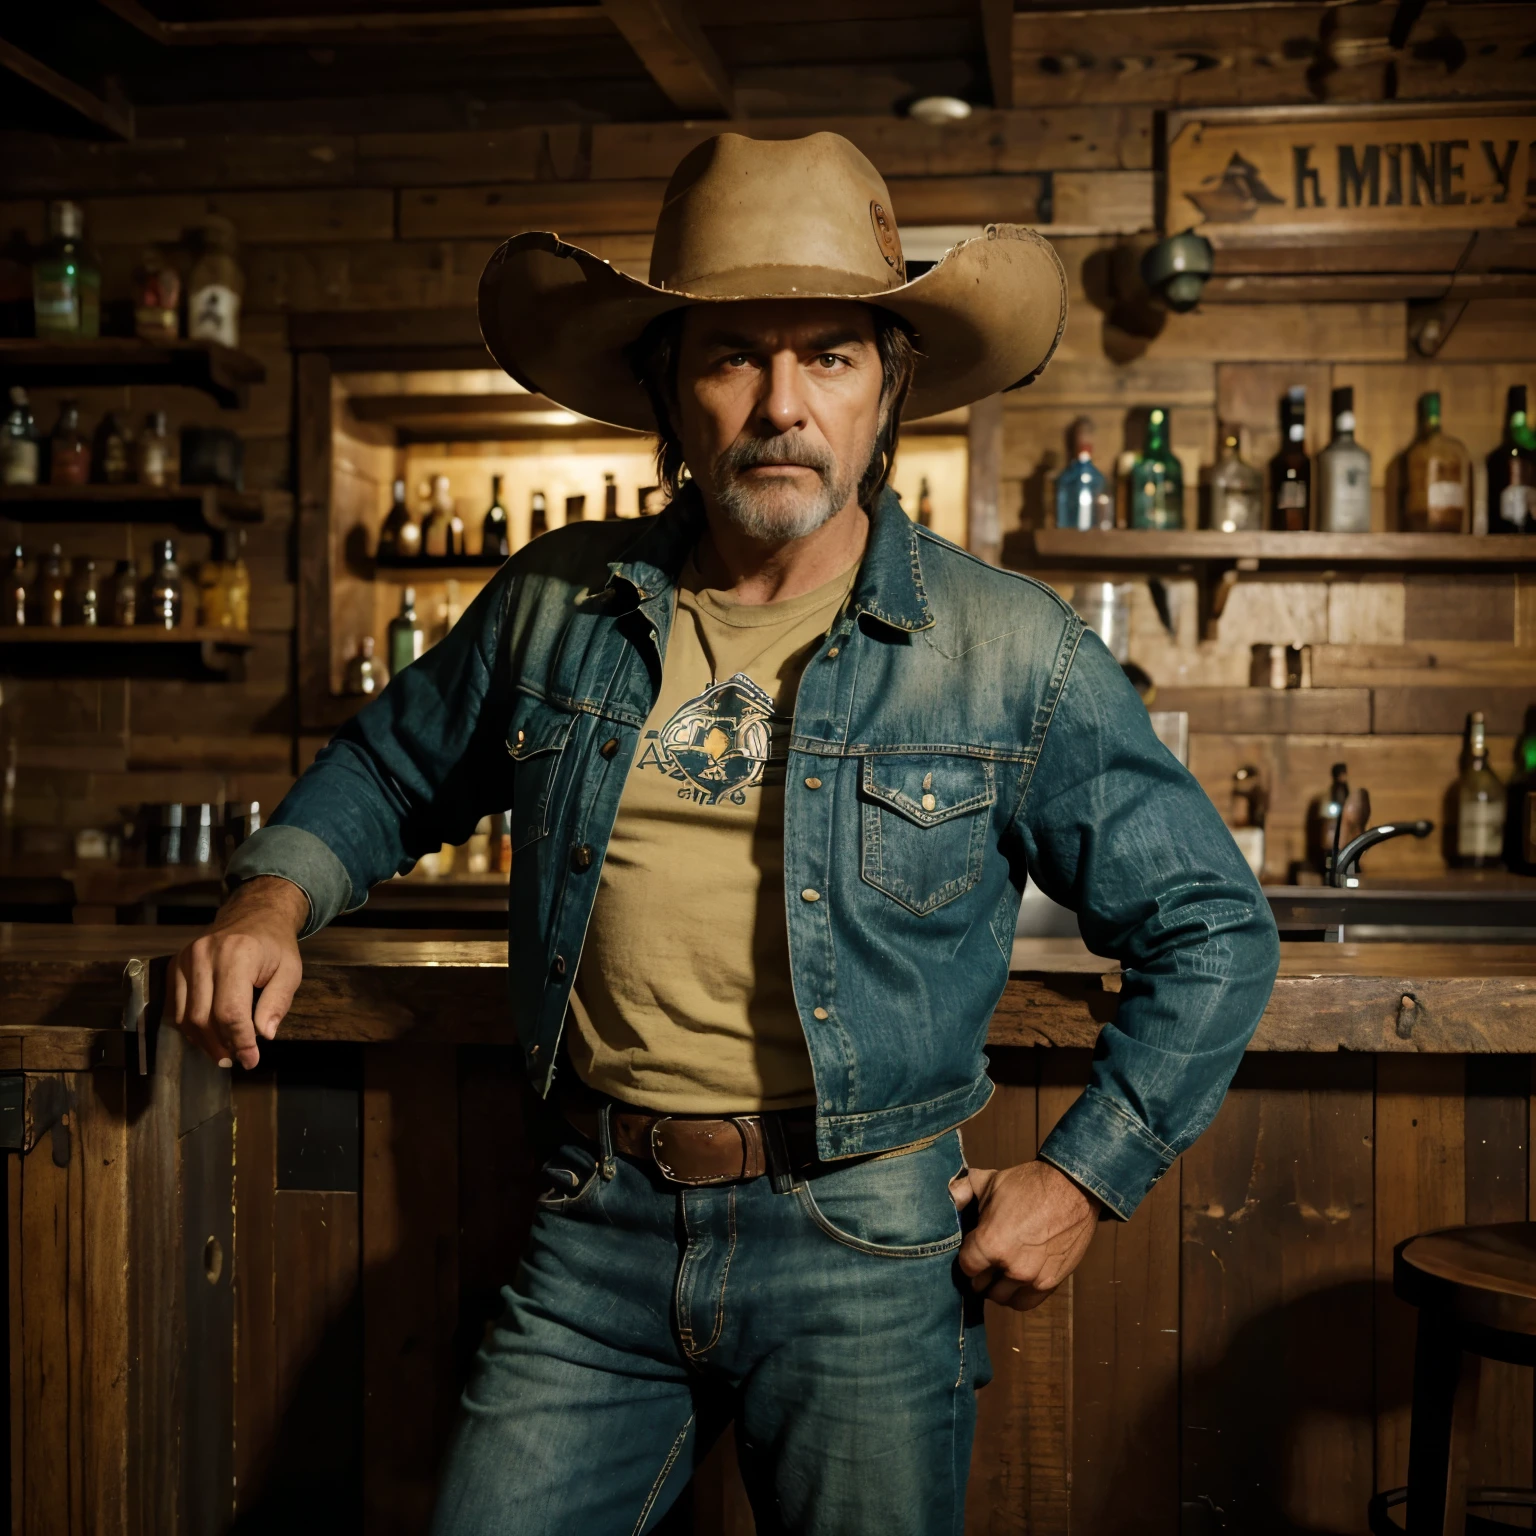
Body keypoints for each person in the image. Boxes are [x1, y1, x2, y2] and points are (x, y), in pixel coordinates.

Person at [172, 132, 1279, 1535]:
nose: (780, 406)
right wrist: (272, 898)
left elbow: (1212, 929)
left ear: (890, 390)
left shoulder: (1008, 649)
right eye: (730, 358)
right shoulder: (556, 600)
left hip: (871, 1243)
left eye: (828, 356)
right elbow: (391, 772)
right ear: (664, 390)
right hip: (592, 1224)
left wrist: (1081, 1177)